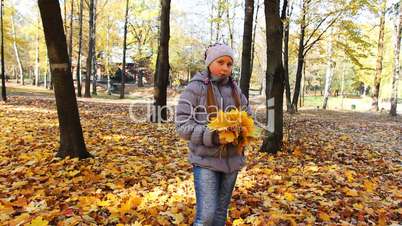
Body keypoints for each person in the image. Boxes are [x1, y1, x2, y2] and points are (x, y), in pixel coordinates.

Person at [175, 43, 252, 226]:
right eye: (221, 62)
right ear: (209, 63)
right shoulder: (195, 88)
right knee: (206, 216)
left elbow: (249, 117)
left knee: (219, 215)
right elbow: (182, 125)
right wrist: (213, 135)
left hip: (232, 161)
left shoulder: (236, 91)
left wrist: (242, 131)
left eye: (229, 64)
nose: (225, 68)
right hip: (205, 161)